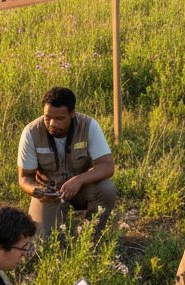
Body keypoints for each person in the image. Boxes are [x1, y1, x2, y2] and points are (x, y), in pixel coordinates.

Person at [17, 87, 116, 241]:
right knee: (42, 243)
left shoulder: (88, 126)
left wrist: (79, 180)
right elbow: (24, 178)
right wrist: (36, 191)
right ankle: (56, 226)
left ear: (72, 113)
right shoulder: (31, 132)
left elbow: (107, 166)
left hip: (81, 188)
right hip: (49, 194)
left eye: (59, 119)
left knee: (107, 189)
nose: (52, 123)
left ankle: (90, 237)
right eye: (47, 117)